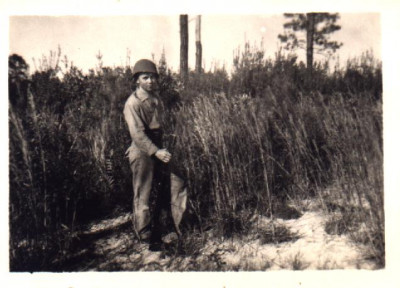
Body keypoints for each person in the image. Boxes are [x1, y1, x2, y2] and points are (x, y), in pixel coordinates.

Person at [123, 59, 187, 250]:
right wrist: (156, 152)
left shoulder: (156, 99)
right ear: (137, 80)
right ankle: (144, 234)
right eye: (145, 77)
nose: (150, 81)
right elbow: (137, 134)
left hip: (159, 147)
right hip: (143, 150)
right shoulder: (132, 103)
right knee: (144, 192)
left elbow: (163, 126)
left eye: (153, 77)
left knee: (178, 181)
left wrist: (165, 148)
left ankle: (180, 227)